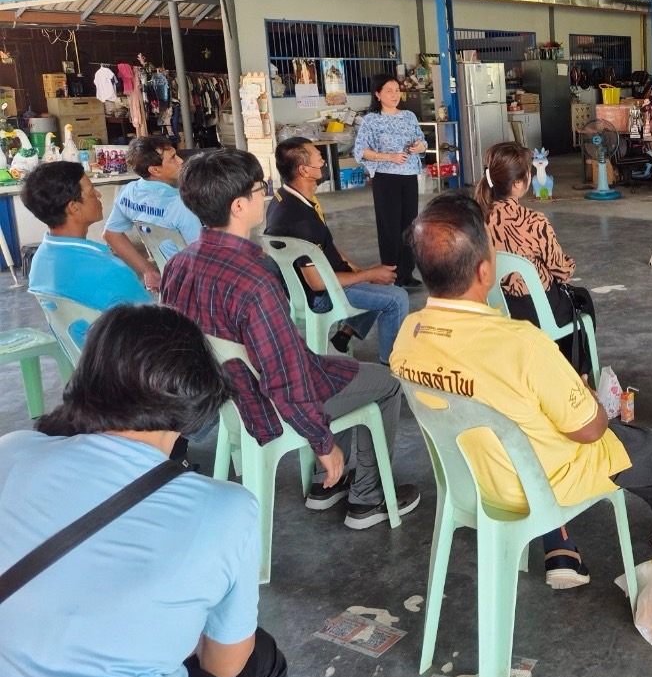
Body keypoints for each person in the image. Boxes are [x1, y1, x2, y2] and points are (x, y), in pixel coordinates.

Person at [391, 192, 652, 591]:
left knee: (532, 422)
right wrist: (588, 397)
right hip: (541, 485)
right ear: (484, 271)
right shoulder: (522, 344)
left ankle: (559, 542)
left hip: (473, 483)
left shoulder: (407, 335)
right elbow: (590, 430)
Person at [0, 304, 291, 677]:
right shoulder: (228, 508)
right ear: (196, 391)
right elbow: (224, 667)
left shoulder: (11, 451)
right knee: (260, 656)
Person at [162, 148, 419, 530]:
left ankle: (327, 486)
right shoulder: (255, 279)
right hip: (266, 405)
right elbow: (285, 379)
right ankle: (367, 498)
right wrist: (323, 444)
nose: (265, 194)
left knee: (343, 367)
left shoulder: (178, 265)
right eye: (258, 189)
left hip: (225, 397)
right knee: (385, 383)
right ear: (238, 206)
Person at [266, 137, 409, 363]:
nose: (324, 164)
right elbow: (317, 283)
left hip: (313, 283)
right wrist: (368, 274)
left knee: (376, 282)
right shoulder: (300, 220)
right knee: (397, 298)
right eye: (319, 160)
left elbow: (326, 246)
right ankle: (390, 366)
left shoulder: (283, 199)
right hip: (319, 295)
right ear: (304, 170)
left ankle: (343, 336)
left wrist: (360, 271)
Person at [475, 141, 595, 375]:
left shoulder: (477, 220)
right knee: (581, 300)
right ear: (518, 184)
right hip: (535, 311)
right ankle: (577, 376)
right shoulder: (534, 222)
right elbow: (561, 271)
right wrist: (569, 265)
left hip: (495, 308)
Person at [22, 160, 150, 347]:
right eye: (91, 192)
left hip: (83, 359)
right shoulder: (111, 271)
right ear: (74, 207)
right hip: (125, 362)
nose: (98, 195)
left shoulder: (40, 261)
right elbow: (157, 330)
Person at [102, 136, 204, 291]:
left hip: (166, 275)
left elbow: (111, 235)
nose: (180, 161)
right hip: (193, 283)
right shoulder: (181, 204)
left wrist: (147, 270)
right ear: (155, 170)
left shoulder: (128, 192)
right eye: (172, 158)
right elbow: (203, 256)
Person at [354, 75, 426, 287]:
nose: (395, 95)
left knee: (409, 225)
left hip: (409, 176)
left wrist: (419, 147)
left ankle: (406, 274)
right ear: (377, 94)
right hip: (386, 179)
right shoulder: (371, 120)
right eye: (389, 91)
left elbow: (422, 141)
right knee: (389, 226)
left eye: (397, 90)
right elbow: (361, 151)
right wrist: (389, 157)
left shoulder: (409, 116)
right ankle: (390, 273)